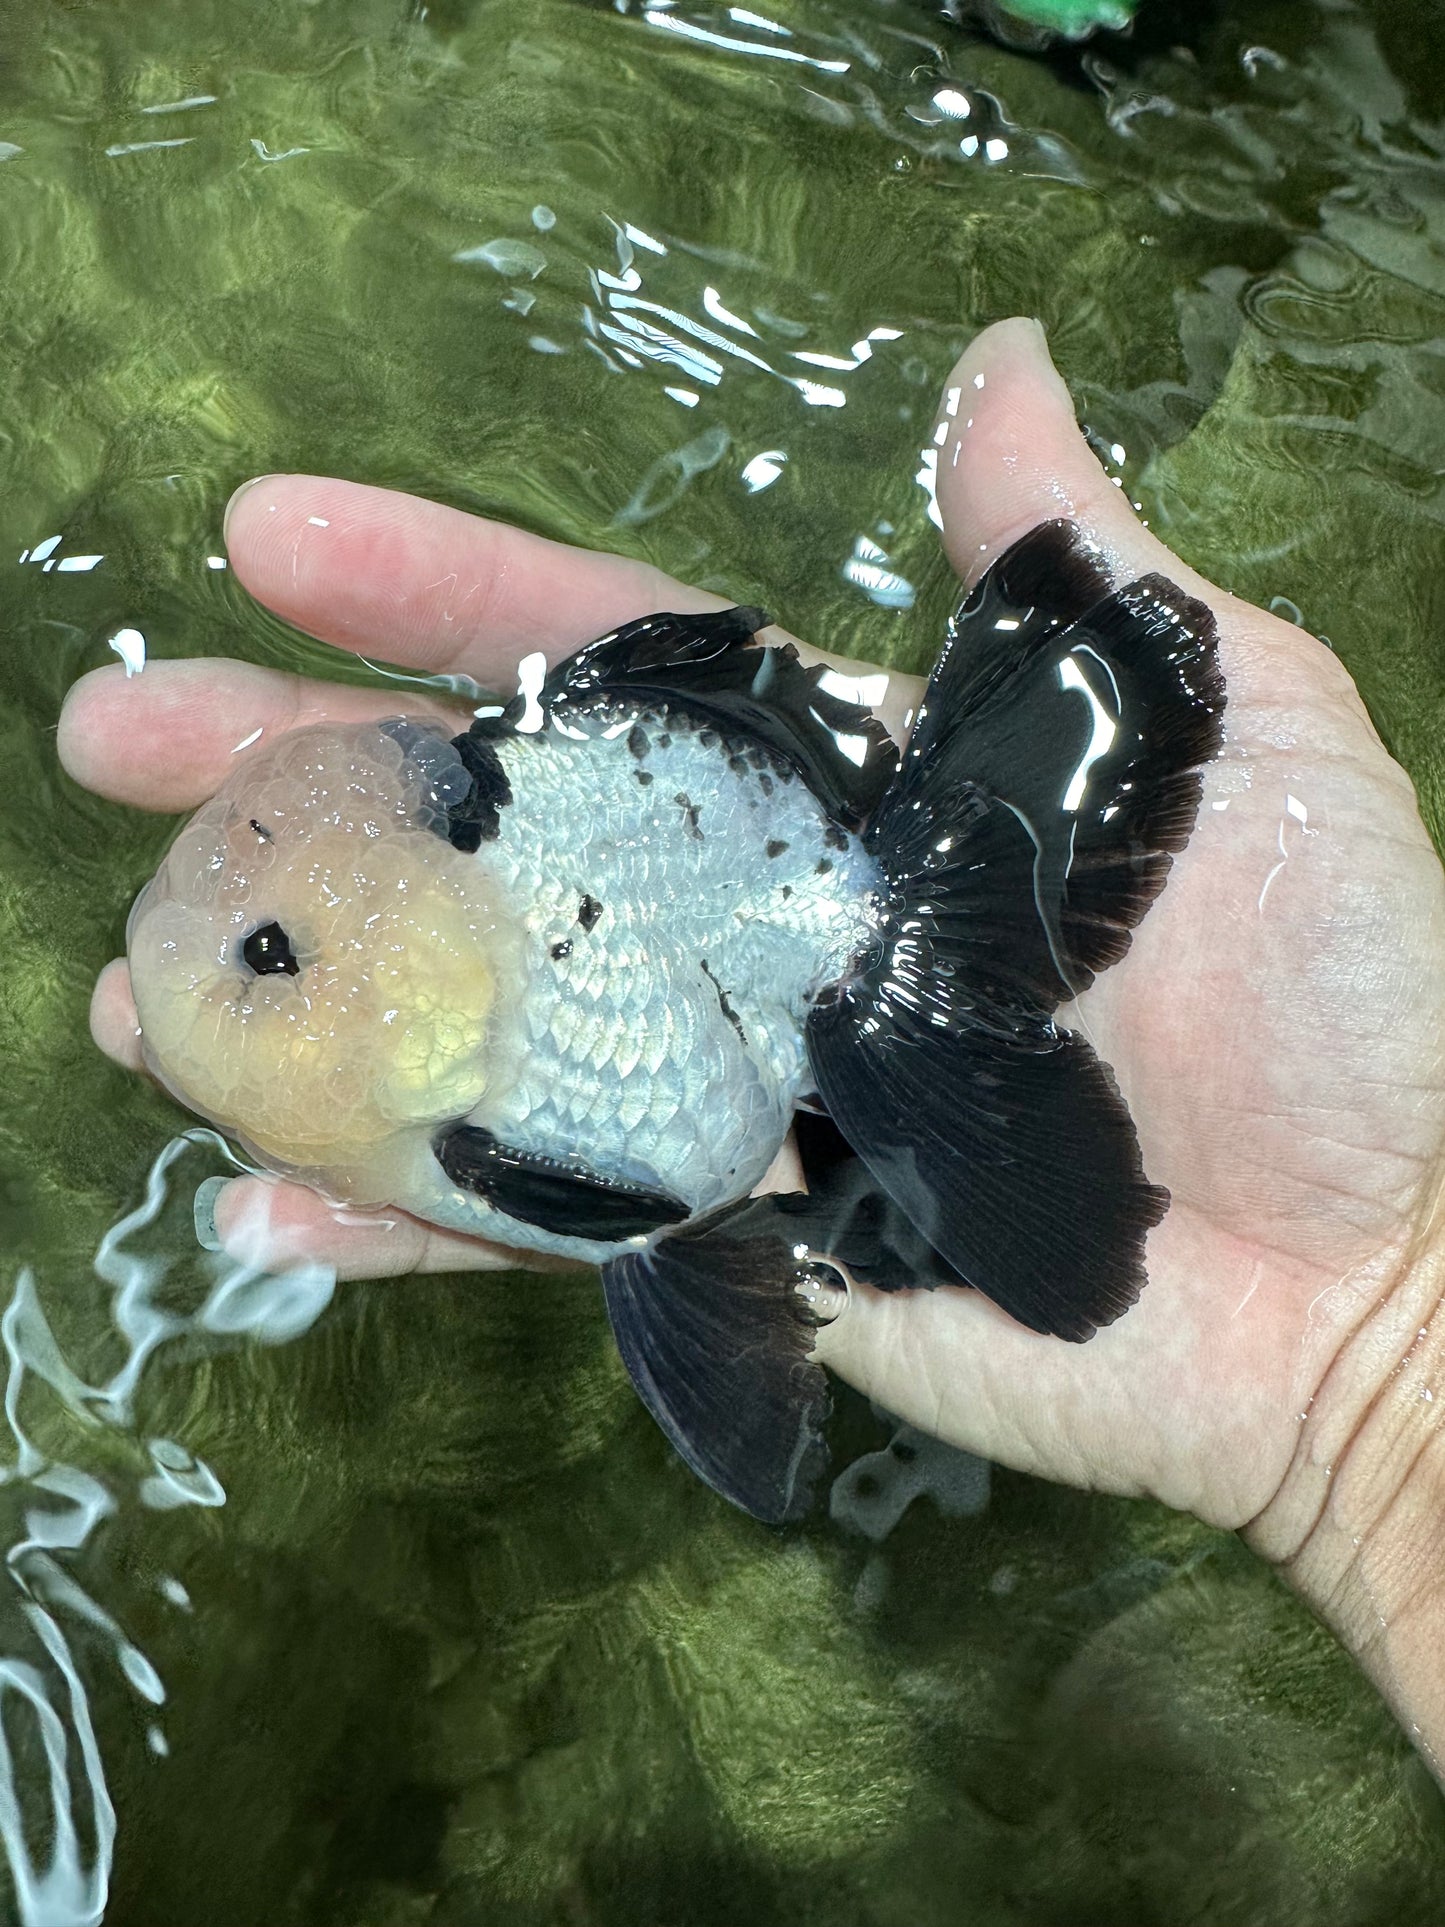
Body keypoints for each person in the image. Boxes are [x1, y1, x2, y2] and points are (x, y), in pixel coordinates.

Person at [58, 318, 1445, 1771]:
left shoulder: (479, 1110)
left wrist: (1389, 1322)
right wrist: (1374, 1350)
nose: (195, 953)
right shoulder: (446, 1066)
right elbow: (645, 1219)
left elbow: (636, 1214)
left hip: (785, 936)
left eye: (270, 958)